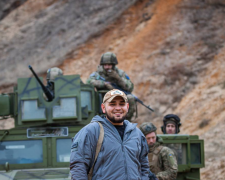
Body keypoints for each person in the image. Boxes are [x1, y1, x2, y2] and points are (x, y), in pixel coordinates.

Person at [70, 89, 151, 180]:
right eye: (112, 104)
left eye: (121, 104)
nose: (118, 108)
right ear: (103, 108)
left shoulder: (137, 133)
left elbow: (144, 166)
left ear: (127, 107)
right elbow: (78, 166)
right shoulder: (92, 131)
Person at [86, 52, 136, 120]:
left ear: (113, 65)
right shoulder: (98, 74)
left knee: (130, 98)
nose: (107, 67)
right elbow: (89, 82)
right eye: (105, 65)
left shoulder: (120, 73)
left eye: (109, 65)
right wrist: (104, 84)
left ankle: (124, 120)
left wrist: (118, 78)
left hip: (118, 97)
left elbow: (130, 87)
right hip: (102, 99)